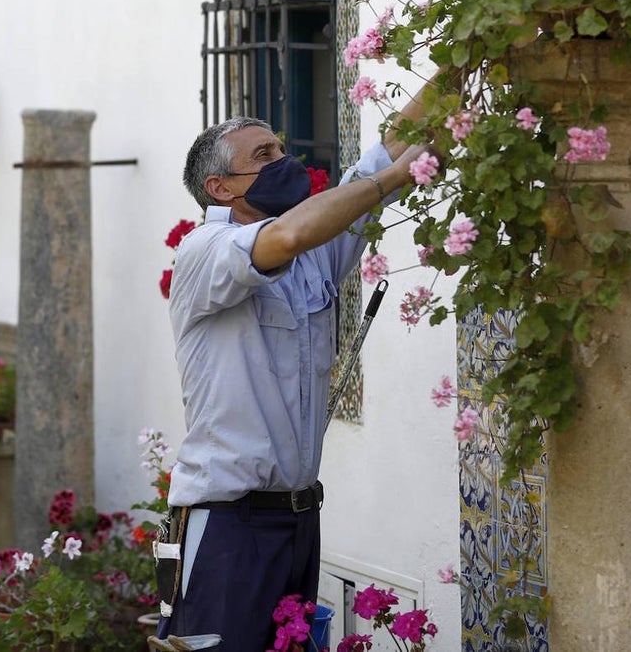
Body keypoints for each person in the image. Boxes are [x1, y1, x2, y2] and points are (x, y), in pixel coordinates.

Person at [155, 94, 432, 651]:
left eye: (282, 149)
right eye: (263, 155)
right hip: (228, 524)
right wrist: (395, 178)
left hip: (300, 516)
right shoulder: (205, 248)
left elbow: (382, 155)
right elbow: (290, 235)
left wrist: (460, 67)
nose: (283, 161)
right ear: (220, 188)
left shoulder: (312, 252)